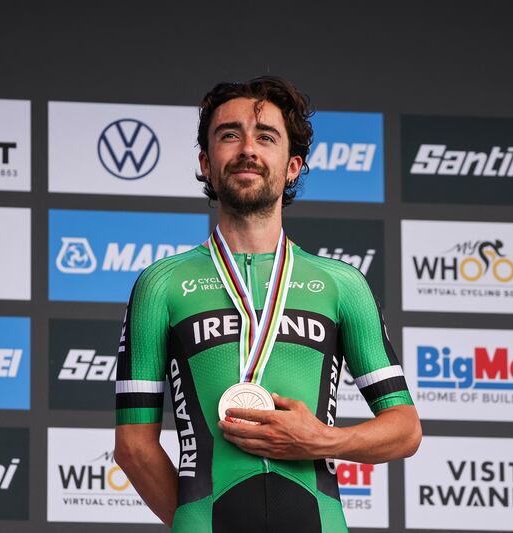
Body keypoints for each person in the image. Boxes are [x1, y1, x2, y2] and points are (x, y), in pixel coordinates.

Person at [114, 76, 421, 533]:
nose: (247, 150)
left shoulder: (342, 284)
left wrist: (323, 439)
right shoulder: (161, 284)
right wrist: (193, 519)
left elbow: (405, 429)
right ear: (206, 161)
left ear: (292, 165)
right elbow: (134, 446)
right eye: (229, 135)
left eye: (266, 137)